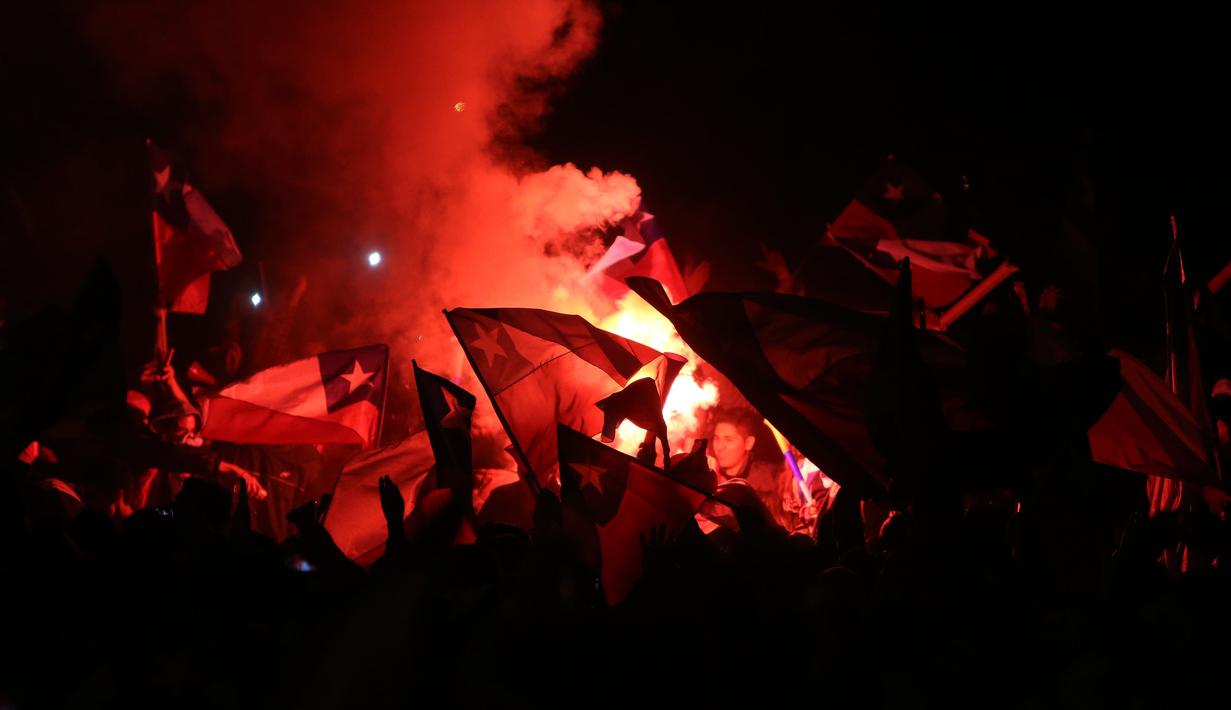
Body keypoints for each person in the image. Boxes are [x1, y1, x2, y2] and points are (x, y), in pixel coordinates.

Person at [708, 407, 806, 533]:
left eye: (729, 439)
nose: (720, 447)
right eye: (716, 438)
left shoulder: (773, 479)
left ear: (749, 443)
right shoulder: (712, 478)